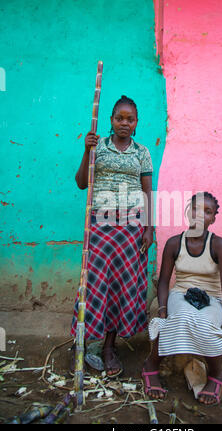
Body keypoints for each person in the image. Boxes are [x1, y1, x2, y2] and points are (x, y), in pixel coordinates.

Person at [71, 95, 154, 378]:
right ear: (111, 120)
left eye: (130, 119)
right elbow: (82, 183)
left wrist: (148, 227)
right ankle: (82, 344)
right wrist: (86, 150)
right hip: (101, 226)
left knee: (121, 288)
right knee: (94, 286)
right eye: (120, 118)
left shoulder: (142, 152)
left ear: (136, 123)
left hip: (130, 228)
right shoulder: (98, 147)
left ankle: (109, 347)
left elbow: (146, 192)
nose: (124, 123)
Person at [142, 192, 222, 406]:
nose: (200, 215)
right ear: (187, 211)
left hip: (211, 298)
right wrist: (163, 308)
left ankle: (216, 374)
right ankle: (151, 365)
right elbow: (164, 281)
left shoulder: (219, 245)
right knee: (179, 317)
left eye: (207, 211)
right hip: (181, 294)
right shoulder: (175, 243)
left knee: (209, 324)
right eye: (195, 208)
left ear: (213, 218)